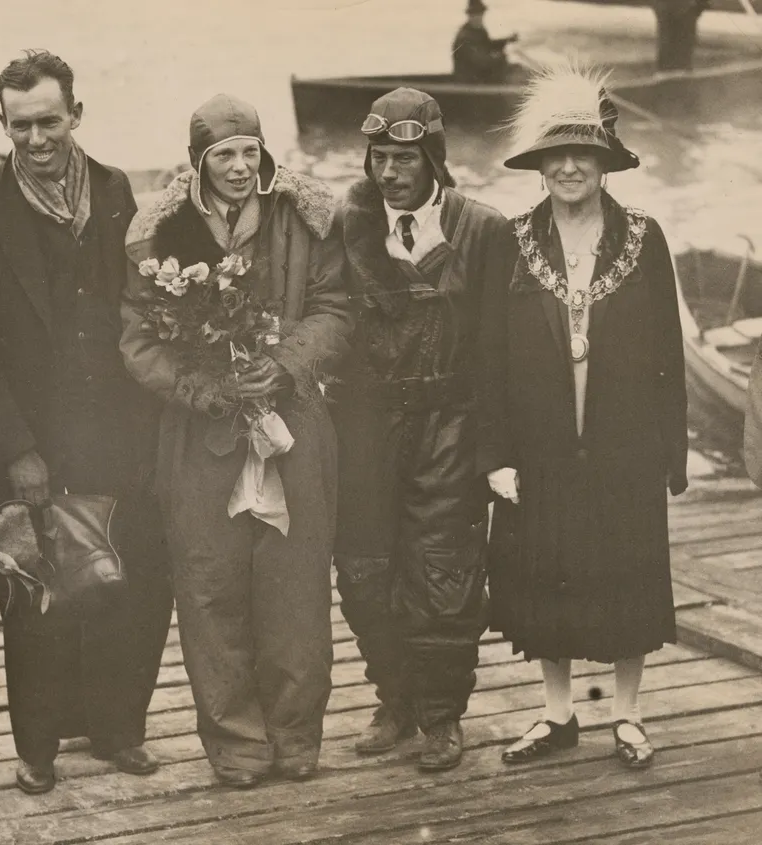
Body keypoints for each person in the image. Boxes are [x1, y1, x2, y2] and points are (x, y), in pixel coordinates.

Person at [0, 50, 174, 795]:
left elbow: (136, 305)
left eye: (48, 121)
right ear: (2, 123)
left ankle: (117, 727)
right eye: (19, 126)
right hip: (27, 442)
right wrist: (18, 449)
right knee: (38, 598)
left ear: (76, 114)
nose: (35, 140)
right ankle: (36, 746)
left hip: (116, 431)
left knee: (128, 585)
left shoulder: (113, 189)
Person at [121, 93, 352, 788]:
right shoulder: (160, 233)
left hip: (293, 427)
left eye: (250, 151)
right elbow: (136, 341)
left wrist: (281, 366)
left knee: (296, 587)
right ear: (198, 162)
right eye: (223, 154)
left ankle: (297, 735)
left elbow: (337, 308)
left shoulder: (306, 218)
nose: (240, 166)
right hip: (200, 438)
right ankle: (237, 743)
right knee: (210, 587)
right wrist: (206, 388)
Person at [478, 64, 687, 770]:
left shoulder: (644, 236)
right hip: (538, 445)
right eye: (555, 155)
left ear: (605, 162)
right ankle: (558, 713)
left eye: (582, 153)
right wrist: (495, 454)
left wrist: (671, 449)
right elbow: (490, 358)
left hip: (624, 441)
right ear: (539, 166)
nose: (568, 166)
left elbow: (668, 350)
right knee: (547, 572)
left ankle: (627, 715)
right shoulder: (510, 241)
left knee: (626, 571)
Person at [331, 87, 510, 772]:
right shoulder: (348, 227)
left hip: (451, 424)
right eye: (378, 157)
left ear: (434, 157)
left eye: (404, 158)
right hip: (368, 423)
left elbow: (501, 349)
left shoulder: (485, 230)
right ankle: (395, 701)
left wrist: (497, 450)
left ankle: (441, 716)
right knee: (366, 567)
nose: (389, 173)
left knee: (444, 573)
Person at [452, 0, 519, 84]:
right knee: (506, 71)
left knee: (515, 69)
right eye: (475, 15)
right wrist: (499, 57)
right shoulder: (464, 37)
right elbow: (480, 60)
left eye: (480, 15)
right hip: (468, 80)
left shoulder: (478, 31)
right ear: (469, 16)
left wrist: (507, 40)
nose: (479, 18)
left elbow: (487, 45)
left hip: (479, 75)